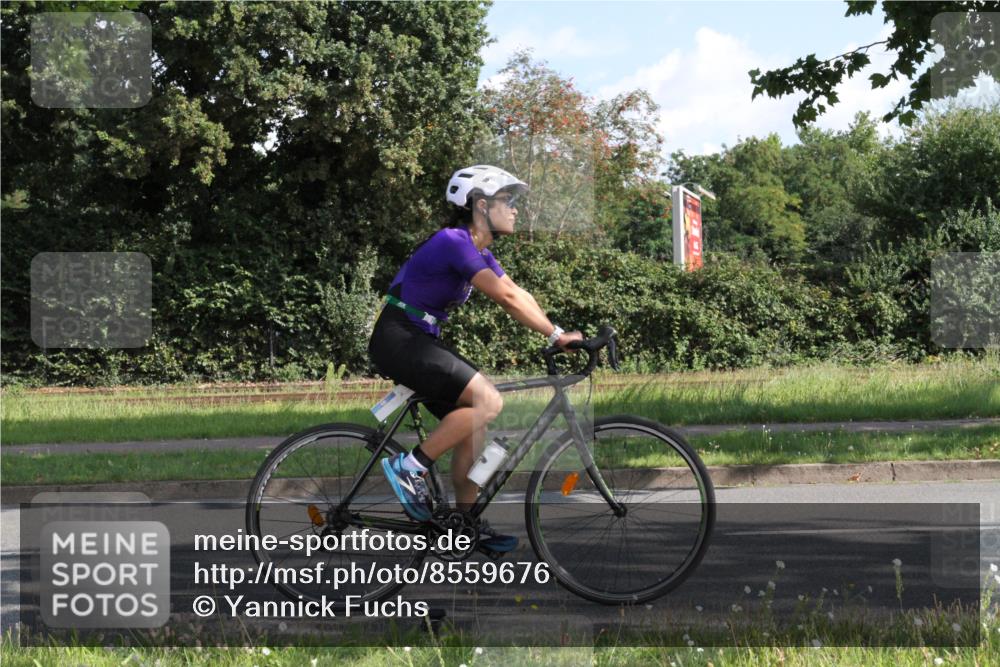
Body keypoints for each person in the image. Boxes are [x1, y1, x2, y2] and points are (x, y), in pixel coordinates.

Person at [367, 165, 582, 552]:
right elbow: (507, 300)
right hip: (399, 337)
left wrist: (558, 331)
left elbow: (516, 290)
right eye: (507, 201)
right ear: (481, 206)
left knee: (473, 428)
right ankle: (409, 468)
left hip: (418, 337)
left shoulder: (478, 249)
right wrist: (554, 335)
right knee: (488, 400)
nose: (515, 209)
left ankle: (462, 526)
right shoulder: (454, 241)